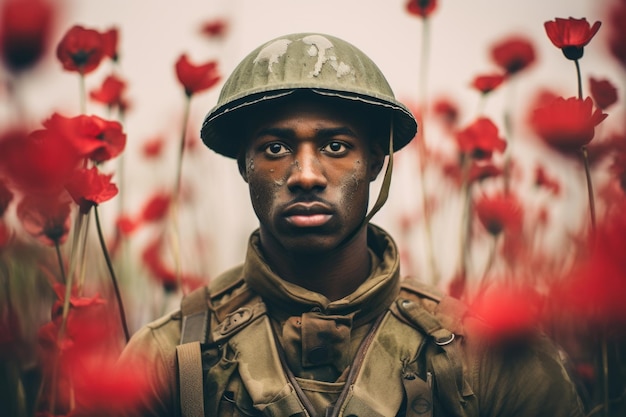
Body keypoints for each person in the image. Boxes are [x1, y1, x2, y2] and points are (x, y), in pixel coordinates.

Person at [116, 32, 585, 417]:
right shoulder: (168, 356)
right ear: (244, 165)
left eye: (336, 146)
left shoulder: (485, 358)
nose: (305, 175)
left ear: (377, 162)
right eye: (275, 149)